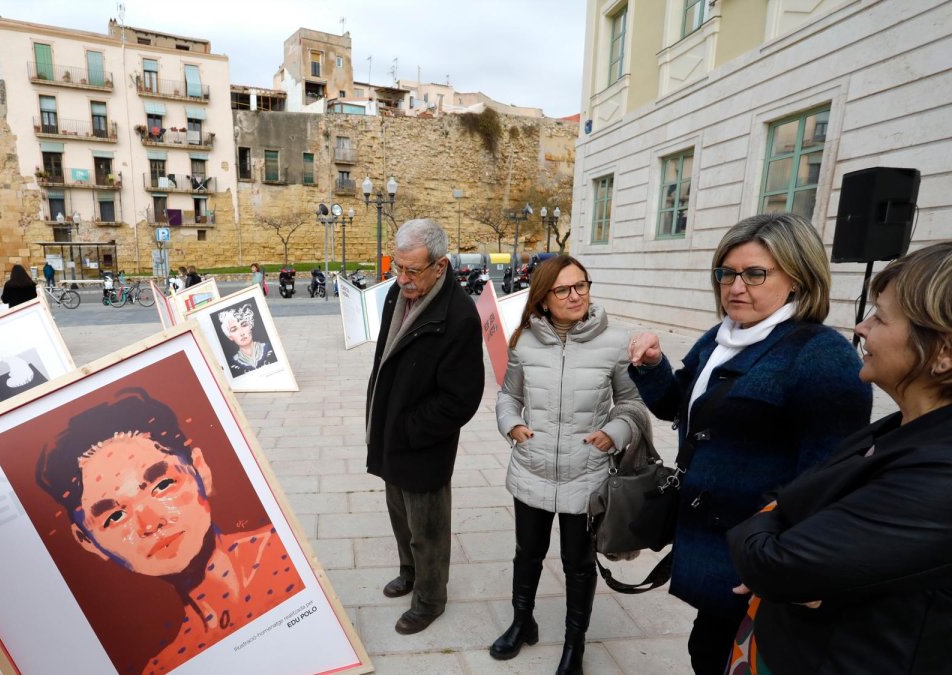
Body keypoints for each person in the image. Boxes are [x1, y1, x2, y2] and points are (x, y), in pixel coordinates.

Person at [626, 213, 872, 674]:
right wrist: (653, 365)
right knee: (709, 649)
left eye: (755, 274)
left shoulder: (820, 354)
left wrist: (786, 559)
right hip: (714, 538)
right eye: (727, 273)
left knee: (734, 657)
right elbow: (677, 406)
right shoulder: (720, 339)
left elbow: (831, 476)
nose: (736, 286)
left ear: (798, 279)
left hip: (758, 553)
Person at [726, 241, 952, 675]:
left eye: (881, 317)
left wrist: (767, 527)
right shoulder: (896, 427)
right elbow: (800, 496)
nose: (862, 328)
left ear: (943, 352)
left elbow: (776, 562)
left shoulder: (940, 473)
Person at [37, 389, 301, 673]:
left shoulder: (294, 561)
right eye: (115, 516)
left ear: (200, 470)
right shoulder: (167, 665)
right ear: (88, 542)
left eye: (162, 486)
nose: (150, 523)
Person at [492, 255, 646, 672]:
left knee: (578, 564)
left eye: (582, 285)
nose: (576, 295)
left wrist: (613, 434)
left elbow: (631, 403)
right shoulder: (523, 340)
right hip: (532, 467)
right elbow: (509, 395)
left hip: (588, 472)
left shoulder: (616, 340)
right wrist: (513, 425)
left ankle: (574, 647)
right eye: (563, 289)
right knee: (528, 554)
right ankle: (522, 623)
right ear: (543, 299)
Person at [365, 219, 484, 635]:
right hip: (391, 434)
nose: (403, 279)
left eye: (412, 271)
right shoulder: (396, 297)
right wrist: (383, 423)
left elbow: (462, 398)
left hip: (423, 442)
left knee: (427, 530)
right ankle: (410, 573)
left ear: (441, 265)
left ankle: (431, 599)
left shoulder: (459, 315)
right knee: (400, 518)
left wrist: (412, 429)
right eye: (397, 268)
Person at [218, 304, 275, 376]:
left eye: (244, 325)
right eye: (234, 329)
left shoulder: (272, 348)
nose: (241, 333)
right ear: (230, 337)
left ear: (250, 326)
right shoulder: (231, 365)